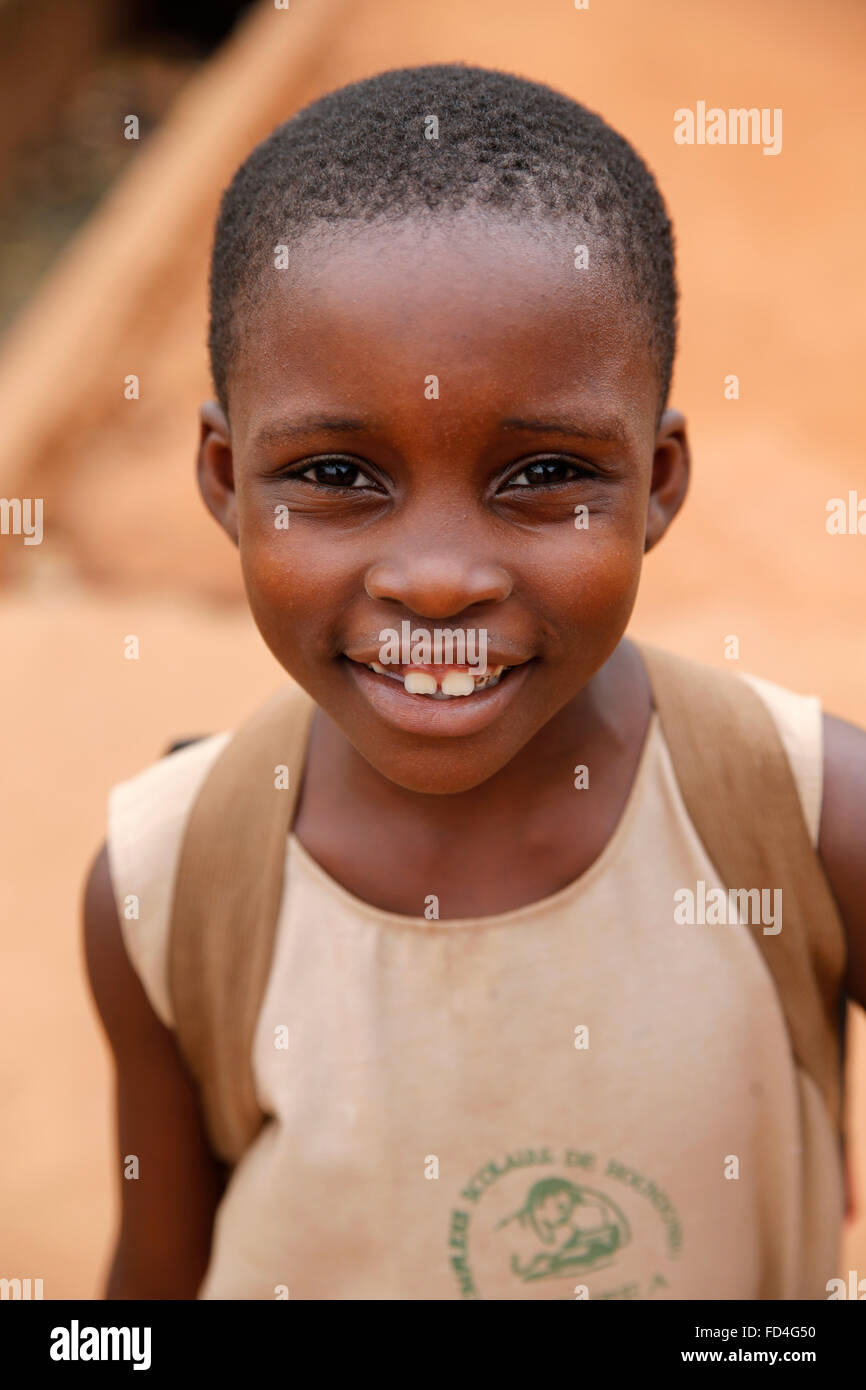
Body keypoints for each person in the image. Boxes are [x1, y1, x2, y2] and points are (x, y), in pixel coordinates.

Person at [82, 64, 866, 1301]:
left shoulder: (812, 822)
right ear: (225, 479)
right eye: (337, 475)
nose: (439, 582)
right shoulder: (166, 887)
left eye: (543, 470)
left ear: (655, 483)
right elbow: (145, 1295)